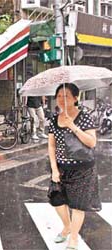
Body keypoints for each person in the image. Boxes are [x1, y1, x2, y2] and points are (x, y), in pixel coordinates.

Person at [48, 83, 101, 250]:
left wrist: (73, 126)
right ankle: (67, 226)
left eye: (66, 96)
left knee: (78, 205)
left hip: (82, 169)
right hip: (61, 168)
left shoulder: (85, 117)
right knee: (57, 200)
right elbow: (51, 146)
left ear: (76, 98)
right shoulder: (53, 119)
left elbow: (91, 142)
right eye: (59, 96)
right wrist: (54, 170)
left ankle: (73, 238)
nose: (62, 100)